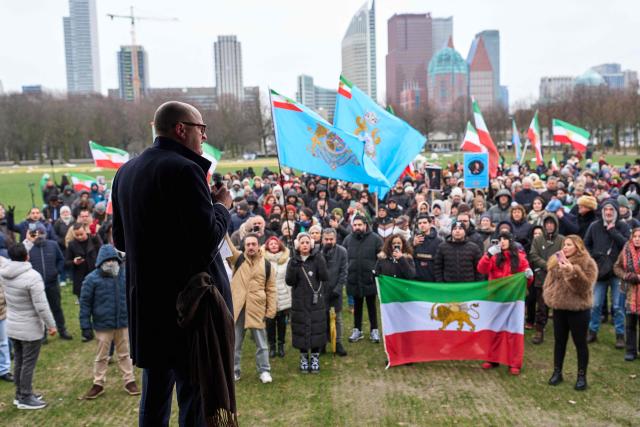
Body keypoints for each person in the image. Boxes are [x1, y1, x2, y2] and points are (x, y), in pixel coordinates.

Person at [112, 101, 234, 426]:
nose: (204, 136)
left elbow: (121, 242)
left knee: (154, 398)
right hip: (185, 311)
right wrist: (221, 207)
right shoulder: (185, 169)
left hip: (147, 308)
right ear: (181, 129)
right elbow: (206, 241)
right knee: (193, 396)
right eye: (201, 129)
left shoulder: (125, 171)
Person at [1, 243, 57, 409]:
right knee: (28, 364)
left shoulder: (5, 271)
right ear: (27, 256)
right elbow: (41, 306)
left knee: (19, 361)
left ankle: (20, 393)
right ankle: (25, 396)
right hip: (30, 328)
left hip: (12, 324)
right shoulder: (32, 276)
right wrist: (51, 325)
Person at [79, 245, 139, 399]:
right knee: (102, 356)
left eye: (114, 260)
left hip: (123, 322)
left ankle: (129, 380)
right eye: (108, 260)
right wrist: (85, 325)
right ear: (101, 262)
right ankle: (98, 383)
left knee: (125, 354)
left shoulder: (124, 276)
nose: (111, 263)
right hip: (103, 325)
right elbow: (85, 304)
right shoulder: (91, 279)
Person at [543, 235, 597, 391]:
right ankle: (557, 372)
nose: (565, 247)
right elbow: (548, 282)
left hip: (578, 309)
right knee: (559, 342)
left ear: (578, 247)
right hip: (559, 308)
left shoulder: (588, 263)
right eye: (564, 244)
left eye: (569, 245)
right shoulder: (556, 260)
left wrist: (572, 272)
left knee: (580, 343)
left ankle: (581, 376)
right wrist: (550, 296)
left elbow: (584, 288)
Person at [477, 231, 533, 375]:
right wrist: (488, 255)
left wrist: (529, 275)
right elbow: (481, 269)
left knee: (513, 332)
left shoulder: (520, 258)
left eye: (505, 239)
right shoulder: (494, 257)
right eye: (500, 239)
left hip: (513, 301)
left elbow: (526, 279)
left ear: (511, 241)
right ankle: (492, 358)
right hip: (496, 299)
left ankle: (514, 362)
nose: (502, 241)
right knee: (494, 330)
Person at [227, 233, 276, 383]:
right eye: (247, 244)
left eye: (253, 244)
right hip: (239, 308)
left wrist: (271, 310)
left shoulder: (267, 265)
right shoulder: (238, 259)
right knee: (235, 343)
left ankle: (264, 371)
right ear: (244, 246)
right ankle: (234, 370)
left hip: (257, 308)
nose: (250, 247)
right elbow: (227, 246)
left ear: (258, 245)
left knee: (262, 343)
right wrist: (222, 227)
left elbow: (271, 289)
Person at [584, 198, 630, 347]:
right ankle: (592, 331)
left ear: (616, 211)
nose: (608, 212)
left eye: (611, 210)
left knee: (618, 306)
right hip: (600, 272)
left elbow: (627, 246)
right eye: (606, 210)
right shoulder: (594, 226)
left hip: (618, 272)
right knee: (596, 304)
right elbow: (586, 245)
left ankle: (620, 335)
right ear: (602, 211)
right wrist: (594, 258)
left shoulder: (622, 226)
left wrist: (612, 231)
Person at [285, 232, 329, 373]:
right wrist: (293, 265)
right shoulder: (294, 260)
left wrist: (320, 260)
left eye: (307, 242)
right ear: (298, 245)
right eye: (302, 242)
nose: (304, 245)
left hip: (316, 301)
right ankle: (304, 357)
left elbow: (324, 276)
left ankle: (315, 357)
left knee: (316, 328)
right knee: (301, 328)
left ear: (311, 244)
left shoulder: (317, 258)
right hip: (299, 301)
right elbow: (289, 281)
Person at [342, 215, 384, 343]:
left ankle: (374, 330)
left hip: (370, 279)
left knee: (372, 306)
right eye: (355, 225)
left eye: (360, 225)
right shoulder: (348, 240)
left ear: (365, 225)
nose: (357, 227)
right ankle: (357, 330)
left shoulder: (376, 239)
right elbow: (344, 258)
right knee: (357, 306)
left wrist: (376, 271)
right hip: (353, 278)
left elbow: (381, 258)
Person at [27, 223, 72, 340]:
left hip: (52, 283)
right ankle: (43, 334)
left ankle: (62, 330)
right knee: (39, 310)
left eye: (42, 233)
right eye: (37, 233)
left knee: (56, 307)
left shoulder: (53, 245)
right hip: (36, 285)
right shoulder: (29, 248)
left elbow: (61, 259)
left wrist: (56, 271)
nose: (40, 236)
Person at [529, 214, 565, 344]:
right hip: (541, 277)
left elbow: (564, 255)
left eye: (552, 223)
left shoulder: (561, 240)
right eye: (547, 223)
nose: (549, 225)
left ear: (555, 225)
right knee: (542, 306)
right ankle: (539, 330)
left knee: (558, 305)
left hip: (557, 277)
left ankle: (560, 330)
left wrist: (556, 266)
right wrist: (546, 265)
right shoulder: (538, 240)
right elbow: (533, 255)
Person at [613, 228, 640, 361]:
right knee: (630, 323)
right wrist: (626, 275)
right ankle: (631, 351)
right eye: (635, 236)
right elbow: (616, 267)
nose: (637, 239)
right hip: (629, 292)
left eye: (639, 237)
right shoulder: (626, 249)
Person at [320, 228, 348, 356]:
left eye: (331, 239)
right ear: (322, 239)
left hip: (335, 290)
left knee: (336, 317)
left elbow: (344, 272)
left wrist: (337, 289)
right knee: (321, 318)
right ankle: (322, 343)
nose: (329, 241)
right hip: (321, 291)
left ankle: (338, 342)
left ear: (335, 239)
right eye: (326, 239)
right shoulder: (317, 252)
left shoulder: (342, 252)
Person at [262, 236, 291, 359]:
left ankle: (281, 345)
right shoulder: (262, 260)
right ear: (267, 246)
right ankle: (272, 346)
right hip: (269, 296)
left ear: (280, 246)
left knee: (282, 323)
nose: (274, 245)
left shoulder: (287, 260)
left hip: (283, 294)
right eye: (271, 244)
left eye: (276, 243)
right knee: (270, 323)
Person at [65, 223, 101, 300]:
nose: (79, 237)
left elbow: (101, 248)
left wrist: (95, 235)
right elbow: (66, 262)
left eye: (81, 234)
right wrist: (74, 262)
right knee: (84, 302)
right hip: (80, 278)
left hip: (94, 273)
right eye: (76, 235)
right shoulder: (72, 245)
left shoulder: (93, 239)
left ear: (85, 231)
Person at [411, 214, 443, 282]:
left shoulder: (439, 241)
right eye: (420, 223)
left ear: (430, 224)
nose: (422, 225)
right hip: (417, 279)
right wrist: (413, 245)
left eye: (425, 222)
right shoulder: (412, 240)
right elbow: (407, 257)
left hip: (433, 279)